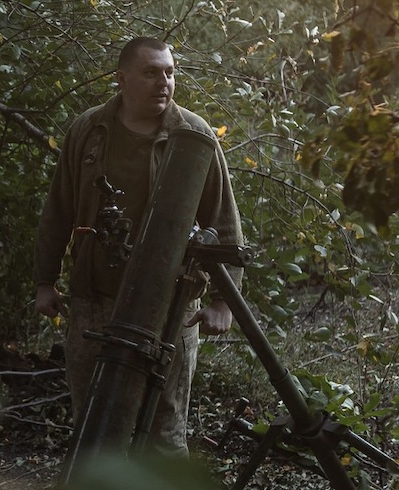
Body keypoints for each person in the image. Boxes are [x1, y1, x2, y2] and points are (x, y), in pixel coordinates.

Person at [32, 37, 244, 454]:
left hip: (166, 310)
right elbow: (58, 210)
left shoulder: (194, 135)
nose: (163, 82)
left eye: (169, 72)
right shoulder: (89, 130)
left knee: (163, 432)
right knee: (92, 428)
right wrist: (45, 281)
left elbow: (223, 223)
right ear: (122, 79)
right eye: (151, 73)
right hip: (95, 302)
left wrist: (223, 300)